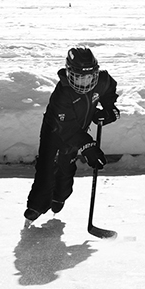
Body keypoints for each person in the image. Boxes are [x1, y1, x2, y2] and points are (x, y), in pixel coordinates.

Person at [25, 46, 118, 224]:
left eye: (89, 77)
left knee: (66, 168)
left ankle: (59, 197)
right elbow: (67, 129)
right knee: (47, 169)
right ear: (69, 74)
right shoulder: (62, 94)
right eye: (79, 78)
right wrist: (89, 147)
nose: (84, 83)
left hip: (79, 130)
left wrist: (109, 108)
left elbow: (108, 91)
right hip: (55, 131)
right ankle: (36, 206)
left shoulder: (103, 80)